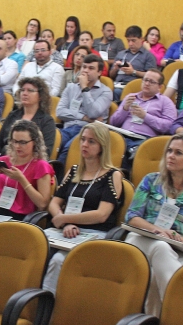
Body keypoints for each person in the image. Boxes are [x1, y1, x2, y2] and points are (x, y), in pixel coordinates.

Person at [124, 132, 183, 316]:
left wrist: (178, 238)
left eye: (178, 153)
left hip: (181, 248)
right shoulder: (151, 181)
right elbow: (132, 216)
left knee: (155, 273)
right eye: (169, 151)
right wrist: (157, 230)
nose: (171, 156)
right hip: (142, 239)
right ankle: (179, 312)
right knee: (160, 246)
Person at [43, 123, 123, 294]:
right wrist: (65, 223)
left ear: (102, 146)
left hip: (94, 232)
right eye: (83, 140)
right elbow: (54, 203)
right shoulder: (73, 171)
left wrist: (65, 219)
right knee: (35, 249)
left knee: (58, 260)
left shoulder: (112, 175)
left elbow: (102, 215)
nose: (85, 145)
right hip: (67, 229)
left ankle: (46, 308)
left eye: (91, 142)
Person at [0, 120, 54, 220]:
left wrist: (22, 180)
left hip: (21, 217)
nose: (17, 146)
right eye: (14, 141)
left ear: (34, 142)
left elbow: (42, 204)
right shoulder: (3, 160)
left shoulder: (41, 165)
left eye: (23, 142)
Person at [110, 69, 177, 169]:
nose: (147, 83)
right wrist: (124, 109)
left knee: (127, 149)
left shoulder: (165, 102)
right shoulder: (130, 97)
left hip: (145, 139)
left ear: (160, 87)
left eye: (151, 82)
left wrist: (145, 116)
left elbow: (168, 126)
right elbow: (113, 122)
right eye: (145, 80)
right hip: (122, 135)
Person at [56, 54, 112, 163]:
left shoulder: (106, 92)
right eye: (84, 67)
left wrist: (84, 88)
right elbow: (60, 112)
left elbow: (93, 113)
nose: (86, 71)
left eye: (91, 68)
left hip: (88, 133)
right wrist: (83, 117)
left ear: (99, 72)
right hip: (67, 128)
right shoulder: (71, 87)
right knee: (50, 143)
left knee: (67, 151)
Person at [0, 76, 56, 160]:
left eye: (30, 90)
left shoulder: (46, 120)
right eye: (22, 90)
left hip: (29, 164)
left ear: (40, 96)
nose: (24, 93)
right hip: (4, 160)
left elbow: (46, 152)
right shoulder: (12, 115)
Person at [109, 26, 158, 101]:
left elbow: (152, 76)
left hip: (134, 86)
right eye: (128, 41)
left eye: (133, 40)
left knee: (116, 92)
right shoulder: (121, 54)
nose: (130, 44)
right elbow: (111, 75)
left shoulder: (148, 56)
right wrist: (115, 69)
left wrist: (134, 72)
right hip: (117, 84)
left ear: (141, 39)